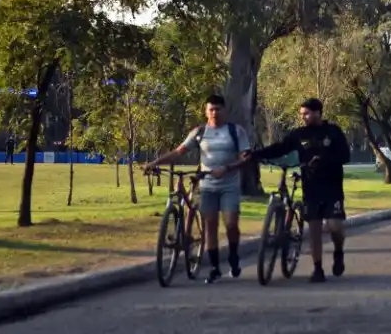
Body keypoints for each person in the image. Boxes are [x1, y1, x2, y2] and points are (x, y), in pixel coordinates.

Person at [144, 94, 251, 284]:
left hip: (229, 185)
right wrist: (155, 162)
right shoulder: (200, 132)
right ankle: (215, 268)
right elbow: (179, 152)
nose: (214, 113)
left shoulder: (236, 131)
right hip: (207, 185)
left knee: (231, 224)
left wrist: (227, 168)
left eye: (218, 109)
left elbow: (246, 157)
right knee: (210, 225)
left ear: (224, 110)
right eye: (211, 109)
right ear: (205, 111)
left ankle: (234, 257)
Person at [247, 98, 350, 283]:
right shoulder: (298, 134)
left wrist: (324, 159)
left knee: (335, 227)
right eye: (301, 114)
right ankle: (318, 269)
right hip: (310, 187)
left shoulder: (333, 132)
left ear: (318, 112)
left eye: (307, 113)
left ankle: (338, 252)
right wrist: (255, 154)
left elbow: (345, 156)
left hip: (332, 187)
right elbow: (280, 148)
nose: (304, 117)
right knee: (315, 229)